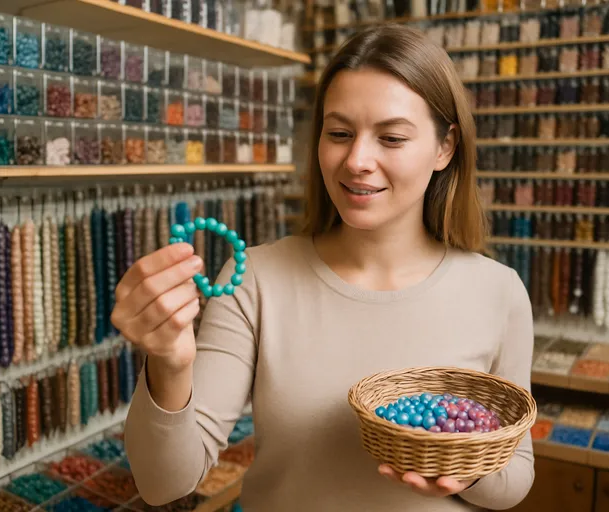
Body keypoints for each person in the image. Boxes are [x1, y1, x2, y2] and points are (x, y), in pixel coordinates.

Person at [114, 24, 534, 512]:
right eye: (339, 134)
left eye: (392, 138)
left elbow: (516, 475)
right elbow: (164, 483)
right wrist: (169, 363)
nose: (357, 160)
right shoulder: (255, 279)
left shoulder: (498, 291)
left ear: (445, 147)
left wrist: (458, 471)